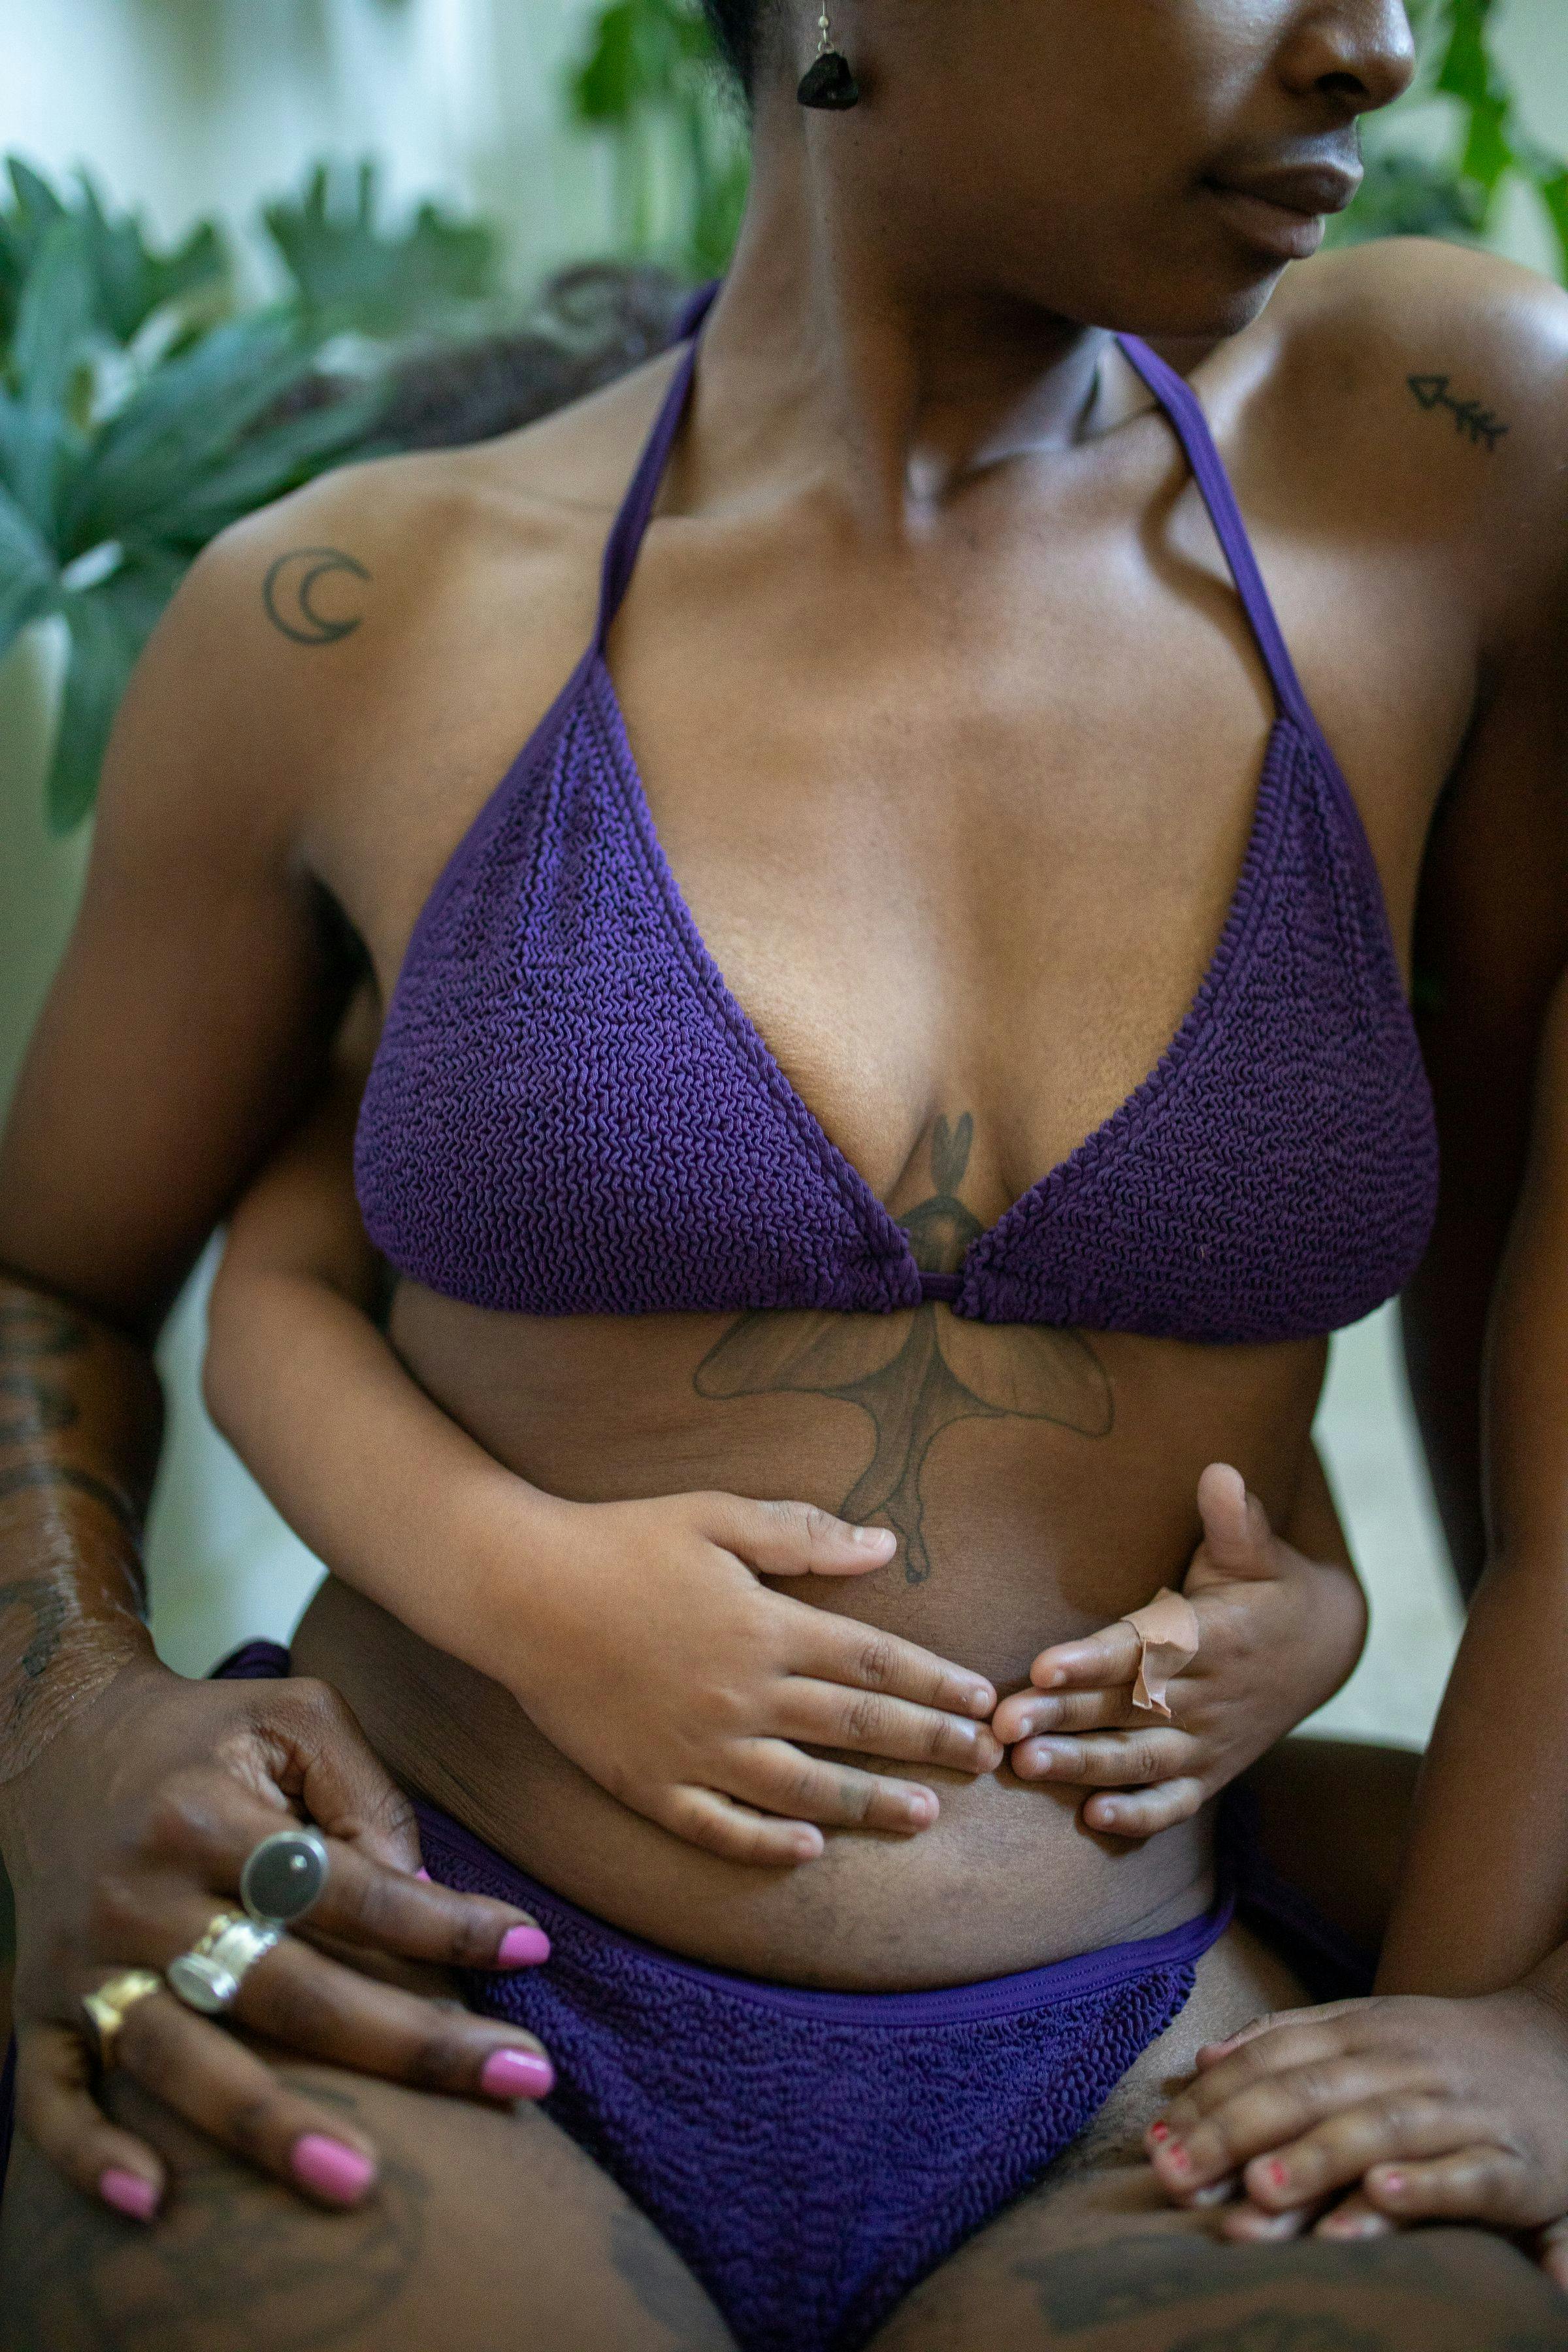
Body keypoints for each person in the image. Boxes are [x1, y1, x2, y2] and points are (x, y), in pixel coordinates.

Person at [3, 0, 1568, 2343]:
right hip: (435, 1975)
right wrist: (70, 1733)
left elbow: (1520, 1294)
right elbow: (60, 1283)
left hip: (1141, 2056)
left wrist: (1512, 2002)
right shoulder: (339, 622)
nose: (1374, 51)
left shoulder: (1457, 462)